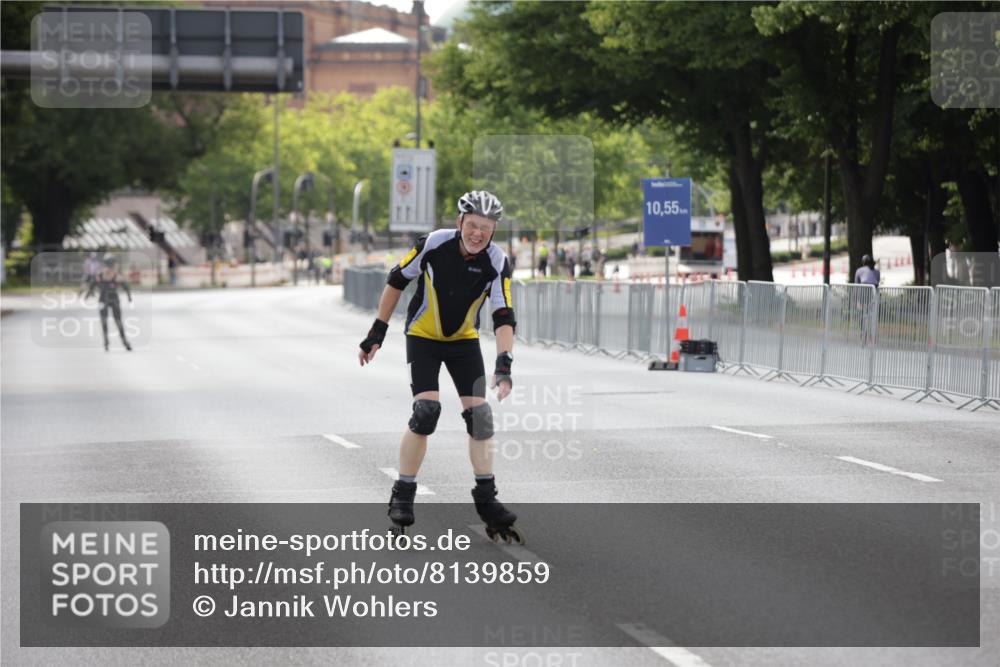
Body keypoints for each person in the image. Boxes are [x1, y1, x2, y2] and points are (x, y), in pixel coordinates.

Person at [357, 190, 523, 544]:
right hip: (423, 337)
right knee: (426, 411)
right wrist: (377, 331)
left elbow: (503, 313)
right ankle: (403, 492)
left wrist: (504, 364)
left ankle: (487, 501)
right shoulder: (434, 243)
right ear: (460, 222)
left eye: (487, 228)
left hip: (464, 342)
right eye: (473, 225)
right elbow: (397, 280)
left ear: (494, 230)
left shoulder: (497, 260)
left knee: (481, 418)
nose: (479, 233)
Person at [85, 254, 133, 351]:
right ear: (112, 264)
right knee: (114, 321)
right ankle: (119, 342)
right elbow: (126, 287)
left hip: (106, 299)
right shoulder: (114, 275)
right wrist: (129, 298)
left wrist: (89, 294)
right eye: (115, 264)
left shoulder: (102, 275)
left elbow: (92, 285)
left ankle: (115, 341)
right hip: (111, 299)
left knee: (108, 321)